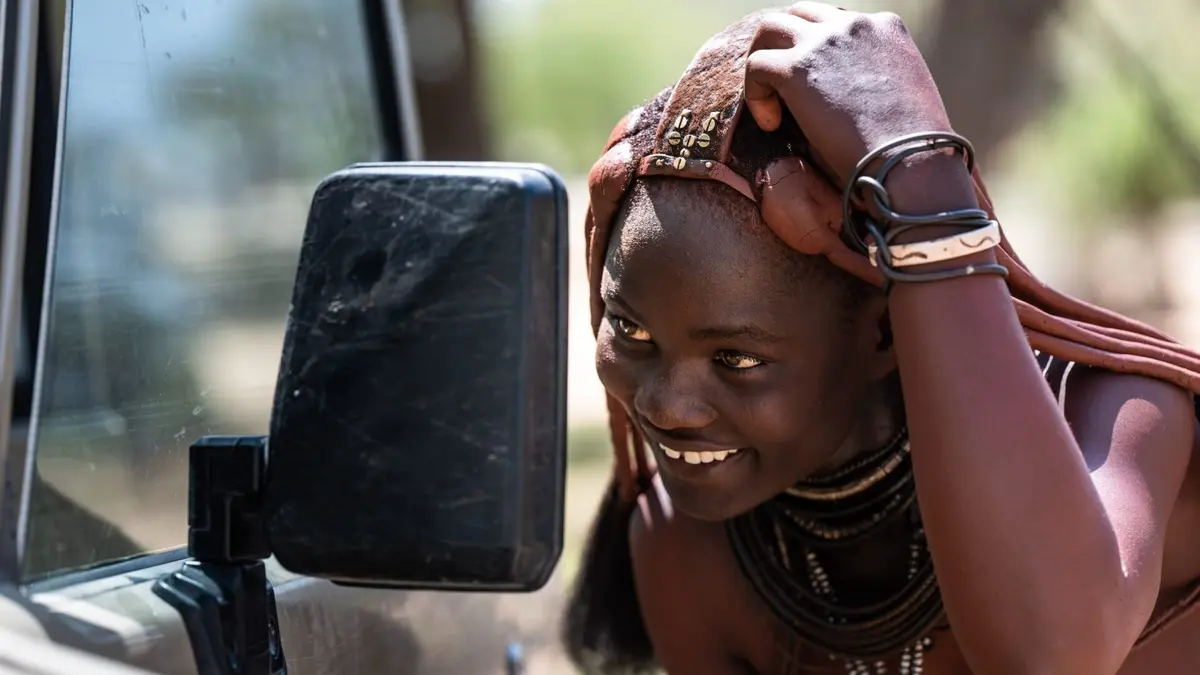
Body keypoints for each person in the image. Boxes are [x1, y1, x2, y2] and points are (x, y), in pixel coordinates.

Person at [562, 4, 1200, 674]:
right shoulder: (688, 547)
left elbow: (1048, 658)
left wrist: (915, 163)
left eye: (736, 357)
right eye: (631, 331)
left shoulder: (1115, 418)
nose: (667, 405)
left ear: (882, 333)